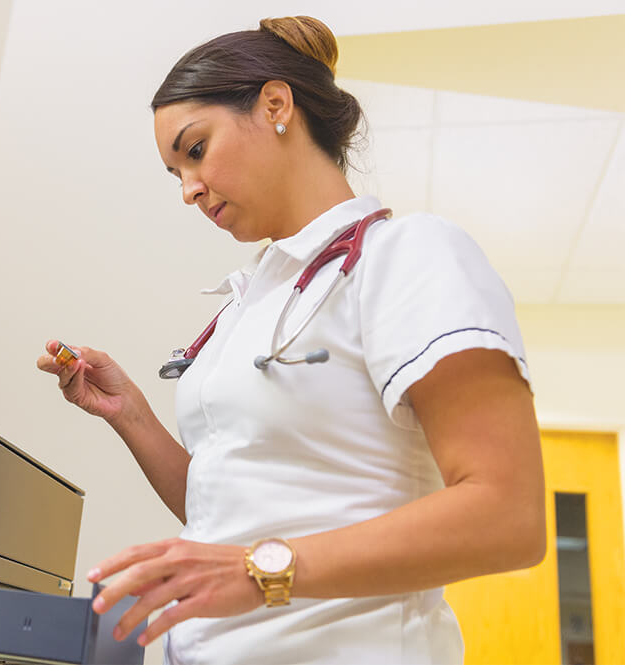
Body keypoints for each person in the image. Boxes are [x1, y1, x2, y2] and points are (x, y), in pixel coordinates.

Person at [37, 15, 545, 665]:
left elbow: (509, 516)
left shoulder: (407, 256)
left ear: (276, 105)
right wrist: (129, 412)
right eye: (175, 172)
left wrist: (261, 570)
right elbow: (230, 513)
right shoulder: (252, 301)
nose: (189, 190)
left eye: (196, 150)